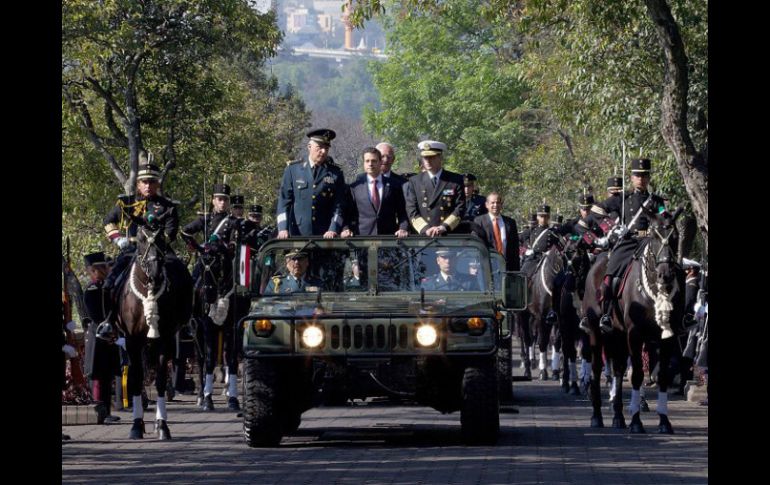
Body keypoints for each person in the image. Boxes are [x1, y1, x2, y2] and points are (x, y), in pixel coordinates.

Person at [586, 159, 668, 334]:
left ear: (649, 178)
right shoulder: (623, 198)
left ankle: (680, 316)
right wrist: (613, 228)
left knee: (671, 268)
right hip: (629, 242)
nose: (641, 179)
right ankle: (607, 314)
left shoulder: (657, 201)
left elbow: (665, 217)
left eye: (644, 175)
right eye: (637, 175)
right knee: (611, 274)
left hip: (651, 242)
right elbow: (596, 210)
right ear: (631, 177)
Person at [276, 129, 346, 239]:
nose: (323, 151)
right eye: (319, 147)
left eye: (326, 148)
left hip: (325, 237)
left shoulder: (335, 173)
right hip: (297, 235)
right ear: (309, 147)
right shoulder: (293, 170)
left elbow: (339, 206)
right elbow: (284, 203)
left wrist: (333, 228)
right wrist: (282, 228)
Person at [82, 251, 123, 424]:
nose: (107, 270)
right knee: (98, 376)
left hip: (109, 335)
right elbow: (95, 314)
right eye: (103, 268)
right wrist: (107, 326)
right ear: (95, 270)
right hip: (98, 335)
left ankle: (107, 411)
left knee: (107, 375)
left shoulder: (108, 287)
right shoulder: (92, 289)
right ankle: (100, 412)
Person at [341, 147, 409, 238]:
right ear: (364, 163)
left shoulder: (394, 186)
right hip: (362, 238)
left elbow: (403, 212)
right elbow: (347, 213)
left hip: (389, 238)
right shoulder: (354, 188)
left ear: (380, 162)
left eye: (374, 161)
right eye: (367, 161)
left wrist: (403, 228)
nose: (370, 164)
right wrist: (345, 229)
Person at [404, 140, 466, 236]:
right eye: (425, 157)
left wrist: (444, 227)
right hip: (424, 235)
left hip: (448, 235)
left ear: (440, 157)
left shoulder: (455, 180)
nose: (427, 161)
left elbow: (460, 207)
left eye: (431, 157)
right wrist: (425, 229)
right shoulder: (415, 181)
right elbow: (411, 208)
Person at [472, 192, 520, 271]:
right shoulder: (479, 221)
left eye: (498, 202)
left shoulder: (510, 222)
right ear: (487, 205)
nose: (495, 205)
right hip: (487, 267)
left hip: (507, 268)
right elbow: (475, 245)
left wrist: (516, 270)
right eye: (493, 203)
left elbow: (515, 249)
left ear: (501, 205)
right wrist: (474, 265)